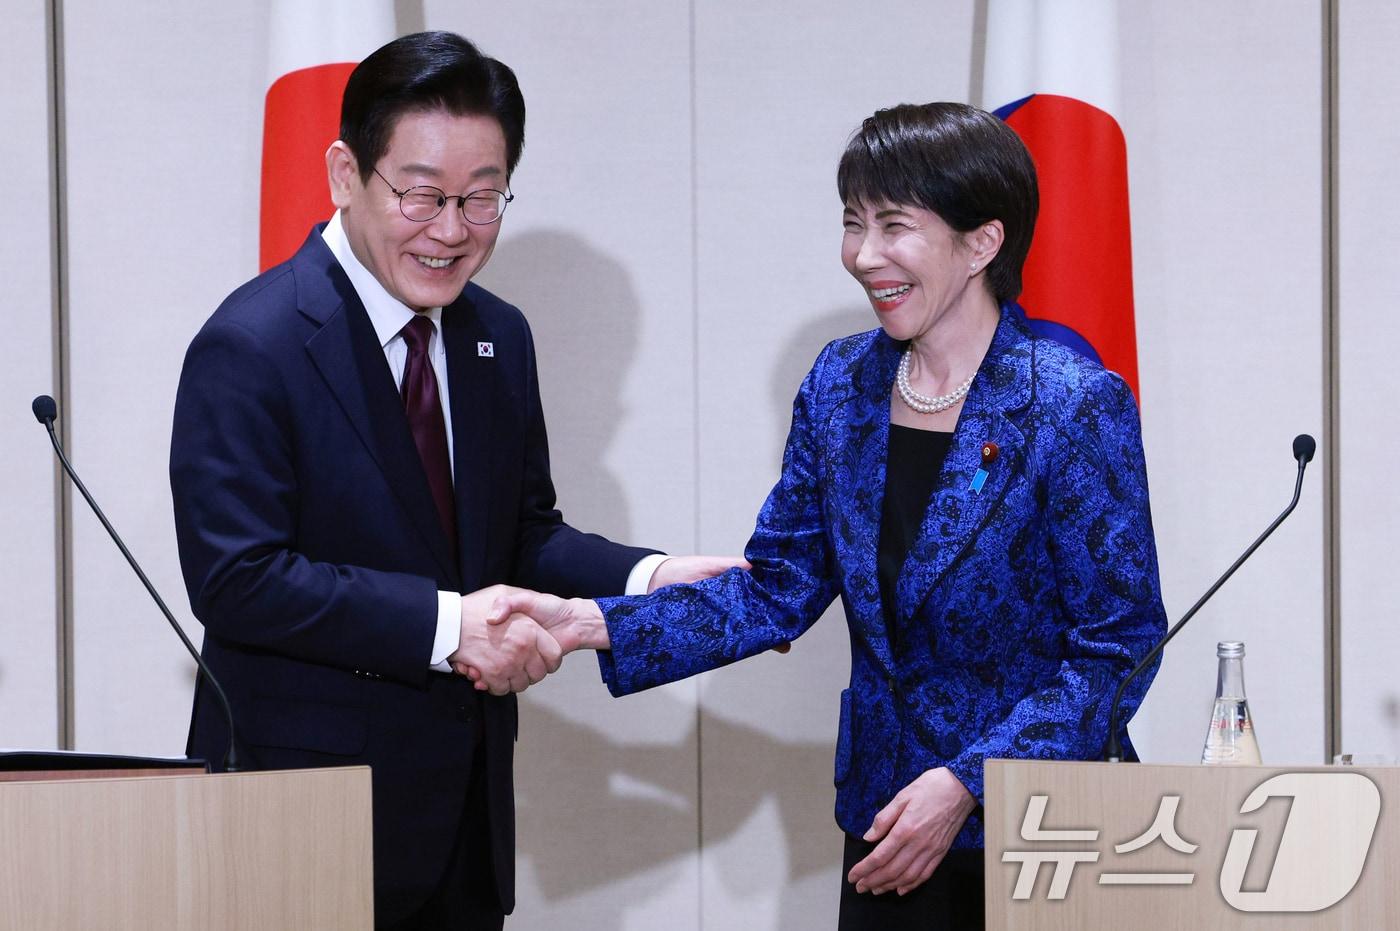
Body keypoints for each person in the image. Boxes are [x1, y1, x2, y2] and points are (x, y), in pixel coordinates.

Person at [485, 102, 1168, 929]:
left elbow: (1117, 649)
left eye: (893, 225)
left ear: (982, 242)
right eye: (852, 223)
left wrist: (968, 781)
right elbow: (776, 586)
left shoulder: (1070, 404)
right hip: (885, 826)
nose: (863, 255)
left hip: (1040, 833)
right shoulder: (842, 385)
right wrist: (590, 621)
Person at [169, 31, 738, 930]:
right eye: (423, 194)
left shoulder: (496, 336)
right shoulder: (254, 344)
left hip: (463, 825)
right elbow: (238, 577)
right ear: (344, 173)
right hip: (299, 820)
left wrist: (652, 582)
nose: (451, 231)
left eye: (482, 199)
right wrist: (449, 625)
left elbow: (525, 536)